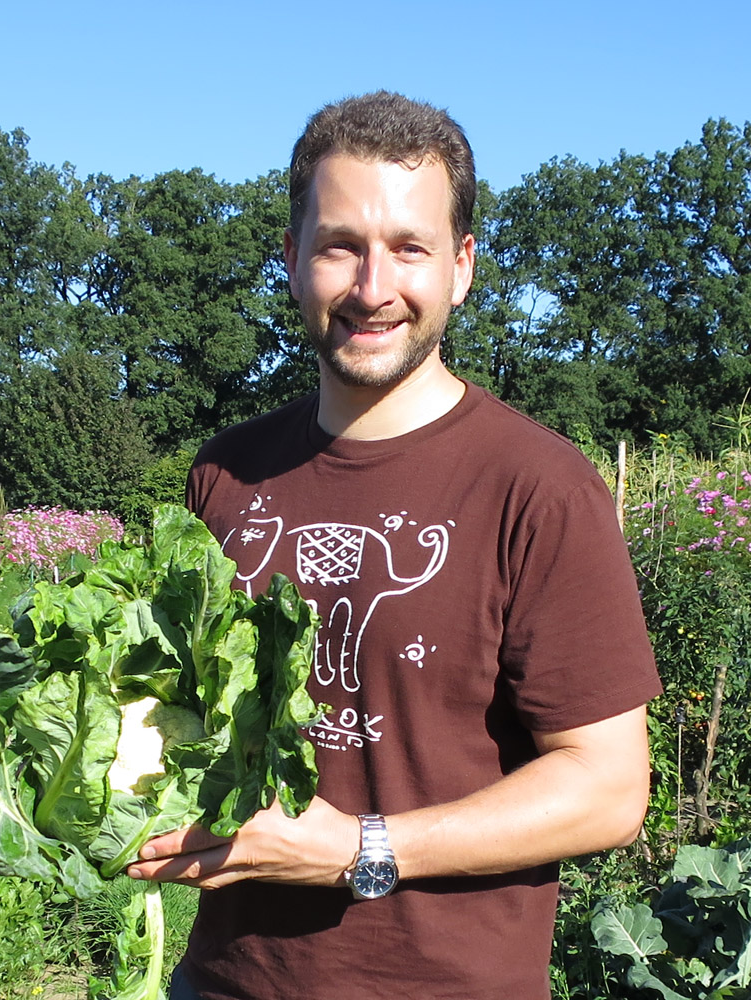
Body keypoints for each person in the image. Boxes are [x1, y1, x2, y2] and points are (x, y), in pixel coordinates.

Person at [127, 91, 662, 1000]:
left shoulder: (538, 487)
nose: (374, 288)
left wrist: (361, 851)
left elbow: (609, 788)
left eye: (409, 248)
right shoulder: (227, 474)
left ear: (461, 267)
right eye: (340, 245)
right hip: (226, 979)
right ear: (292, 260)